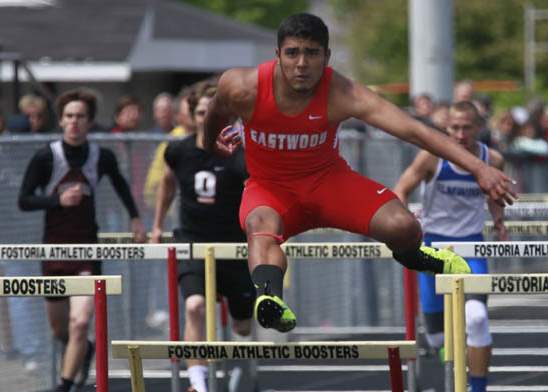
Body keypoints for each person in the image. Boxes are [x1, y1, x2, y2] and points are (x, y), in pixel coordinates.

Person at [203, 13, 514, 333]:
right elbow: (213, 114)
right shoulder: (242, 86)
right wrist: (211, 143)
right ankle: (270, 299)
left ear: (327, 57)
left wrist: (478, 167)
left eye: (312, 53)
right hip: (270, 188)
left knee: (402, 225)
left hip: (327, 182)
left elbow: (413, 130)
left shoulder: (342, 92)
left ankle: (414, 256)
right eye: (293, 52)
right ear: (278, 54)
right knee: (259, 225)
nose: (301, 63)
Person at [18, 88, 145, 392]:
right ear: (61, 120)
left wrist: (135, 219)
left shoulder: (99, 157)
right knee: (60, 329)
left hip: (87, 252)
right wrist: (56, 201)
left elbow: (120, 184)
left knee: (79, 322)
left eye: (81, 117)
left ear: (89, 123)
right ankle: (84, 352)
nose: (74, 122)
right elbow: (24, 199)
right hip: (54, 250)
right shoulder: (47, 156)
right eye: (69, 116)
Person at [394, 101, 507, 392]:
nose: (459, 134)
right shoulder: (432, 156)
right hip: (432, 249)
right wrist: (404, 226)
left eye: (466, 128)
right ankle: (455, 383)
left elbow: (495, 195)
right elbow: (400, 189)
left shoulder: (492, 159)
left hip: (471, 249)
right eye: (453, 128)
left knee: (476, 319)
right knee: (439, 341)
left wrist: (499, 222)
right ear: (447, 127)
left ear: (477, 127)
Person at [151, 83, 254, 392]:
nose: (206, 120)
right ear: (190, 117)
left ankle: (239, 316)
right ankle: (199, 388)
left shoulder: (239, 154)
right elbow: (167, 183)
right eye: (200, 114)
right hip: (193, 241)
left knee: (241, 326)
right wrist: (156, 225)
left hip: (233, 246)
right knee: (194, 306)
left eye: (214, 114)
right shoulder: (178, 151)